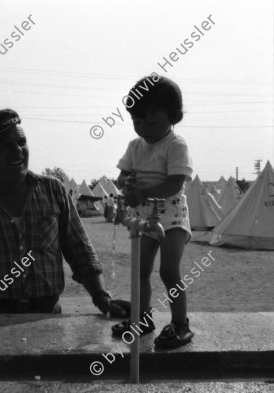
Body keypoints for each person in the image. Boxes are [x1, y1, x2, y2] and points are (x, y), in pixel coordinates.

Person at [0, 108, 129, 320]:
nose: (17, 150)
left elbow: (80, 250)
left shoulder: (53, 190)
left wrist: (101, 297)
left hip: (44, 316)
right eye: (5, 146)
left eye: (21, 142)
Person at [111, 75, 194, 348]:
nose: (143, 129)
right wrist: (127, 184)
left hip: (172, 218)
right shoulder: (135, 146)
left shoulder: (175, 145)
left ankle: (180, 325)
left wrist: (143, 193)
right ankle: (142, 319)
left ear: (173, 117)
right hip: (145, 218)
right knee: (141, 269)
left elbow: (174, 184)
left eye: (151, 122)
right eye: (137, 122)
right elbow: (122, 178)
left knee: (169, 271)